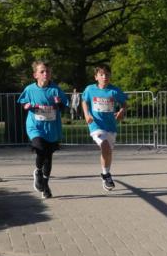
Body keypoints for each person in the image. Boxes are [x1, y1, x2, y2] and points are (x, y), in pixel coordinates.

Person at [18, 60, 69, 199]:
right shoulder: (30, 89)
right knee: (40, 148)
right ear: (35, 75)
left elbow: (65, 106)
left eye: (48, 71)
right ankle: (38, 171)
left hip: (52, 128)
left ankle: (45, 185)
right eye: (42, 71)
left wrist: (59, 103)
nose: (46, 73)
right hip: (35, 127)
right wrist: (27, 106)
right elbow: (22, 102)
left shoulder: (55, 89)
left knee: (49, 157)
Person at [81, 65, 128, 191]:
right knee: (105, 146)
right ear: (96, 77)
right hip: (95, 125)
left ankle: (106, 173)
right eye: (101, 75)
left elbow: (124, 103)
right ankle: (106, 175)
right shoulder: (90, 89)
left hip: (110, 126)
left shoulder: (114, 91)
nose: (104, 77)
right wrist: (86, 114)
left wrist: (121, 111)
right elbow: (84, 101)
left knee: (108, 152)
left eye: (107, 74)